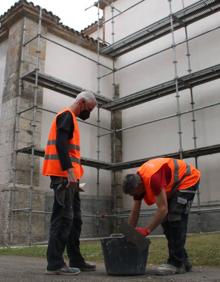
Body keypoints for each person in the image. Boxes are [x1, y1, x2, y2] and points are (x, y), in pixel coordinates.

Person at [42, 90, 97, 275]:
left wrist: (74, 178)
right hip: (63, 176)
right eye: (88, 109)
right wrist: (69, 171)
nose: (88, 113)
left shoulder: (70, 118)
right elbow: (61, 144)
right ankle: (55, 263)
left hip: (70, 178)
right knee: (63, 219)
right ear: (81, 102)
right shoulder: (66, 115)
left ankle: (76, 259)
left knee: (75, 220)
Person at [122, 157, 200, 275]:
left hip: (188, 179)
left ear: (138, 186)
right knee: (166, 221)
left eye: (134, 193)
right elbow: (135, 211)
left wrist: (147, 230)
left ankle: (176, 263)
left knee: (175, 218)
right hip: (174, 185)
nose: (135, 196)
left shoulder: (153, 179)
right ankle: (183, 260)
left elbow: (163, 209)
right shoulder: (138, 183)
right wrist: (129, 233)